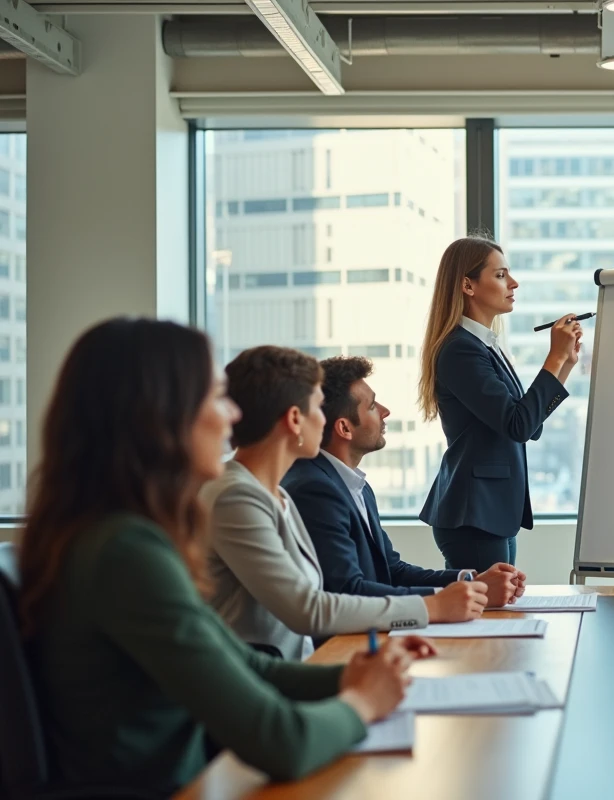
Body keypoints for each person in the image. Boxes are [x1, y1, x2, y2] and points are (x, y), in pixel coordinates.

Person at [18, 318, 432, 795]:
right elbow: (283, 742)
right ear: (160, 415)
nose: (232, 415)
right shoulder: (124, 553)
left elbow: (248, 666)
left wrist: (350, 678)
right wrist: (363, 702)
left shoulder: (118, 534)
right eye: (216, 397)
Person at [204, 346, 487, 662]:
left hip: (295, 670)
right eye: (316, 407)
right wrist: (432, 606)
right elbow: (310, 608)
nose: (323, 419)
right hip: (262, 682)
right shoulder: (238, 495)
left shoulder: (275, 493)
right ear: (296, 419)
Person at [284, 355, 525, 607]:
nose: (385, 411)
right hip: (345, 642)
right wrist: (455, 598)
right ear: (344, 428)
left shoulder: (356, 486)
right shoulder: (315, 490)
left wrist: (469, 579)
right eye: (372, 406)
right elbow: (349, 591)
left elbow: (392, 571)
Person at [418, 236, 583, 571]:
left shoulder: (485, 346)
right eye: (501, 275)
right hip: (474, 515)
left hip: (490, 511)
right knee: (487, 618)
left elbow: (527, 425)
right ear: (468, 285)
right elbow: (518, 424)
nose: (514, 283)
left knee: (496, 613)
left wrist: (564, 365)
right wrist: (553, 357)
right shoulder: (461, 350)